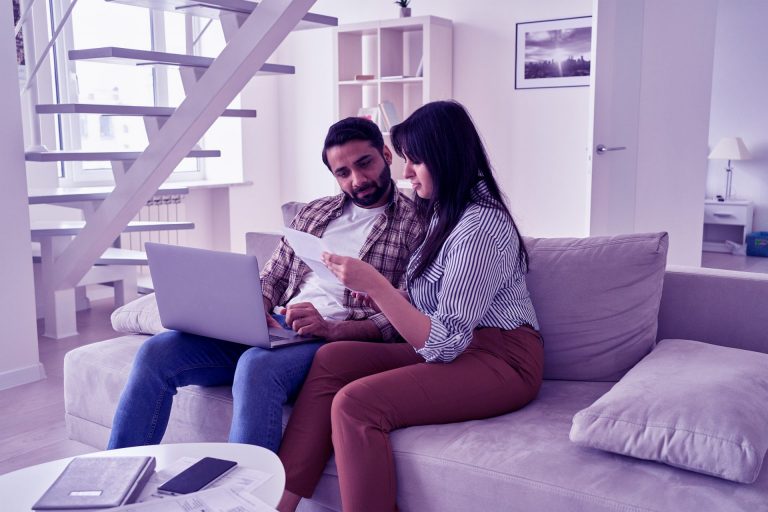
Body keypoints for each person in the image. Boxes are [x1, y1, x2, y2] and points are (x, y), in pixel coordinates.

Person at [276, 101, 544, 512]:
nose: (405, 173)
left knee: (356, 404)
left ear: (445, 157)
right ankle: (281, 503)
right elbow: (436, 302)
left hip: (502, 360)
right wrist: (385, 293)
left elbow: (445, 343)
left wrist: (377, 285)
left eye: (415, 161)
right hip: (466, 347)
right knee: (332, 358)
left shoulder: (481, 227)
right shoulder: (446, 212)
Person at [107, 117, 423, 454]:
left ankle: (249, 487)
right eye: (343, 173)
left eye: (365, 163)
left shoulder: (417, 224)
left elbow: (404, 315)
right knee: (157, 352)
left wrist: (330, 329)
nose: (357, 180)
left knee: (255, 367)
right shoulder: (315, 212)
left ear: (385, 155)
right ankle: (116, 473)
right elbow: (272, 277)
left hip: (330, 341)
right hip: (278, 327)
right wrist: (253, 309)